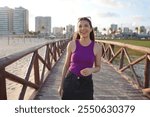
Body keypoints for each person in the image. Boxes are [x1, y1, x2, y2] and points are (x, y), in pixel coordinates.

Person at [58, 17, 102, 100]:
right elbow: (66, 65)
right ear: (77, 30)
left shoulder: (97, 47)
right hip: (70, 81)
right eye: (80, 26)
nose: (83, 28)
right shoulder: (71, 44)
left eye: (86, 25)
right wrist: (61, 85)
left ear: (91, 29)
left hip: (86, 83)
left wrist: (91, 70)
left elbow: (98, 67)